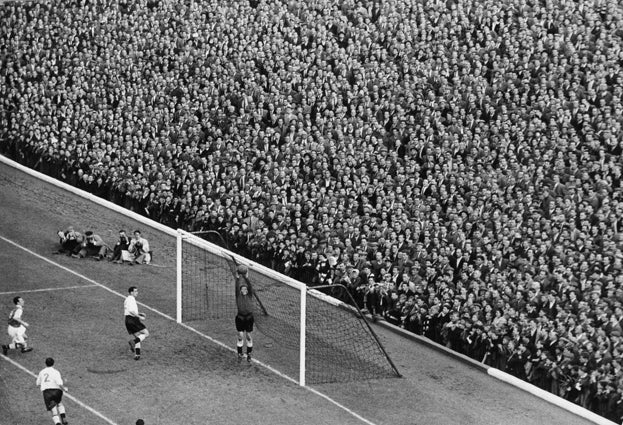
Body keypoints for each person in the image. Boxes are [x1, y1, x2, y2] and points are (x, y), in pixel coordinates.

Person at [36, 357, 69, 425]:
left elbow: (37, 383)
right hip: (57, 391)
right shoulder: (56, 372)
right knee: (59, 403)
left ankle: (58, 423)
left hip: (47, 393)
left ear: (45, 364)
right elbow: (59, 383)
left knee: (54, 411)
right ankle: (63, 417)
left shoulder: (42, 372)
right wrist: (64, 389)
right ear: (53, 363)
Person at [235, 264, 254, 363]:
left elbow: (250, 286)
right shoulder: (238, 296)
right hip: (240, 317)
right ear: (240, 291)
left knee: (248, 336)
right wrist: (238, 277)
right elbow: (237, 285)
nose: (244, 290)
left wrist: (246, 277)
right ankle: (239, 353)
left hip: (249, 317)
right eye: (242, 289)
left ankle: (249, 354)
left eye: (245, 289)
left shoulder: (250, 294)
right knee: (240, 336)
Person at [124, 286, 149, 360]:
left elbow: (129, 310)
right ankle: (133, 342)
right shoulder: (131, 299)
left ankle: (137, 355)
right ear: (131, 292)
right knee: (146, 333)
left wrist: (140, 313)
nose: (137, 292)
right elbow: (131, 311)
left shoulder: (127, 299)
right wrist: (139, 317)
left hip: (127, 320)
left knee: (138, 337)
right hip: (133, 320)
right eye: (135, 291)